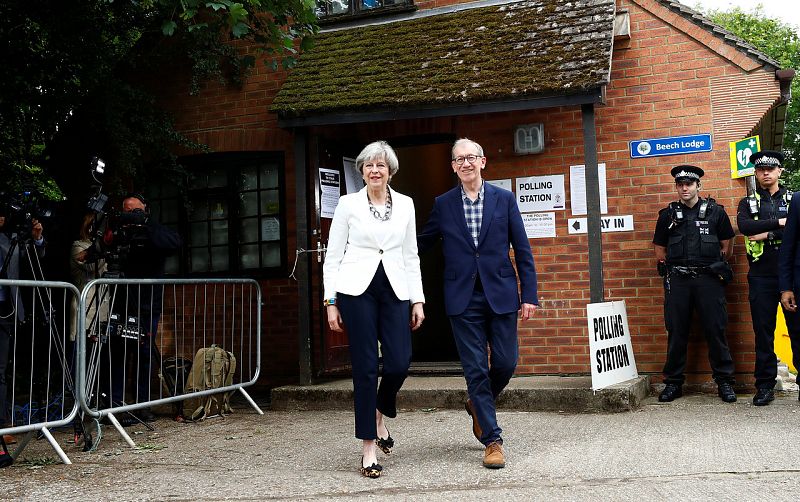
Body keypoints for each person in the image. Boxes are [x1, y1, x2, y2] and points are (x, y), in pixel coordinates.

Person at [418, 138, 538, 469]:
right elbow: (422, 243)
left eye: (471, 158)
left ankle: (476, 403)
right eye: (459, 160)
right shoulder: (443, 204)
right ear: (453, 167)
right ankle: (493, 440)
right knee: (475, 370)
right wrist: (382, 247)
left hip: (500, 293)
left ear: (483, 162)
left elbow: (523, 250)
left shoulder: (504, 199)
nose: (466, 164)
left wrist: (529, 294)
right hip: (462, 297)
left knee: (506, 361)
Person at [323, 141, 425, 479]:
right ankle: (368, 445)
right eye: (369, 165)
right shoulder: (348, 204)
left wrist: (417, 299)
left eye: (381, 165)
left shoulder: (407, 205)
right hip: (356, 291)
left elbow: (411, 255)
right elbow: (333, 255)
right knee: (365, 367)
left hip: (395, 289)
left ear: (391, 171)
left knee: (399, 362)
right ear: (362, 171)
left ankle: (380, 410)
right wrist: (330, 301)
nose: (375, 170)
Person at [653, 165, 737, 403]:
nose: (684, 188)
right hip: (678, 280)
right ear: (677, 188)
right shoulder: (667, 215)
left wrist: (716, 263)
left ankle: (724, 382)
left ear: (698, 186)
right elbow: (660, 248)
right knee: (677, 331)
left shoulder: (715, 212)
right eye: (680, 185)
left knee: (716, 330)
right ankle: (673, 383)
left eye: (689, 184)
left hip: (708, 279)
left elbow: (727, 244)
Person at [107, 194, 181, 423]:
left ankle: (142, 405)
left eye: (136, 210)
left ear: (145, 209)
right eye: (127, 210)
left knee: (143, 354)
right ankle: (114, 406)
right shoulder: (119, 232)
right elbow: (99, 249)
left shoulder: (154, 231)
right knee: (117, 354)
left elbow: (174, 243)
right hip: (121, 303)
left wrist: (144, 225)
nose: (131, 215)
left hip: (147, 304)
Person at [738, 151, 796, 406]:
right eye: (760, 169)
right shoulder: (747, 203)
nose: (765, 172)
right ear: (756, 173)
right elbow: (746, 228)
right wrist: (781, 224)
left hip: (793, 275)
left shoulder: (794, 199)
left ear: (780, 171)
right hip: (761, 275)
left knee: (798, 330)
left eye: (770, 169)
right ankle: (764, 386)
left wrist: (766, 233)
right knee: (763, 333)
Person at [0, 207, 45, 468]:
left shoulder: (11, 238)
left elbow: (29, 262)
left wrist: (36, 239)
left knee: (2, 370)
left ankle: (3, 423)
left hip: (7, 308)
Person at [70, 211, 108, 342]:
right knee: (82, 352)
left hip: (102, 305)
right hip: (86, 306)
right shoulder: (78, 246)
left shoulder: (106, 248)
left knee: (99, 351)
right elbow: (91, 266)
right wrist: (102, 248)